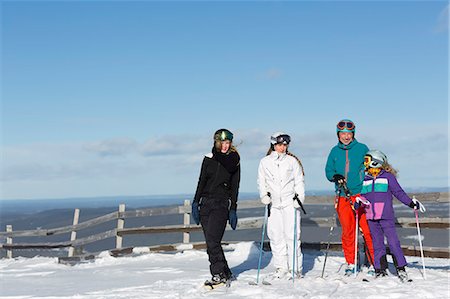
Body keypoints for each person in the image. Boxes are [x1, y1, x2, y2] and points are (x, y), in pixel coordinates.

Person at [361, 150, 425, 282]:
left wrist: (410, 203)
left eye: (367, 160)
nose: (365, 163)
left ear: (375, 161)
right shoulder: (365, 179)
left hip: (386, 215)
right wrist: (358, 203)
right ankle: (380, 269)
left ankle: (401, 268)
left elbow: (398, 192)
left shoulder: (387, 177)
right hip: (371, 216)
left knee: (393, 242)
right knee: (377, 243)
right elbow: (363, 197)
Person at [325, 119, 375, 276]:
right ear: (338, 135)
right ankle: (351, 262)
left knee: (368, 230)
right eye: (342, 134)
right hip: (342, 195)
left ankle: (374, 262)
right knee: (348, 231)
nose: (346, 137)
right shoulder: (334, 151)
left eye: (348, 133)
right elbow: (328, 171)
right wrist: (335, 175)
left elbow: (370, 166)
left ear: (353, 134)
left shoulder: (362, 148)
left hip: (361, 195)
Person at [191, 128, 241, 286]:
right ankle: (225, 271)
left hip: (220, 204)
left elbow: (235, 187)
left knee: (213, 241)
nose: (225, 146)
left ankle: (218, 273)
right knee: (211, 242)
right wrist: (195, 202)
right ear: (216, 142)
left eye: (227, 143)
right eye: (222, 143)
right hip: (205, 203)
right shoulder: (209, 158)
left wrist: (233, 208)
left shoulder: (234, 161)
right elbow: (201, 181)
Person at [257, 132, 305, 280]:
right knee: (276, 236)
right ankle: (281, 267)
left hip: (290, 202)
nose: (282, 148)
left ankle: (295, 269)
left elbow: (299, 181)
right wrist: (264, 195)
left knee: (292, 236)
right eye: (279, 145)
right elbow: (261, 181)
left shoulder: (292, 161)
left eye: (285, 145)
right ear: (273, 145)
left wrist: (299, 198)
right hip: (274, 204)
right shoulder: (264, 162)